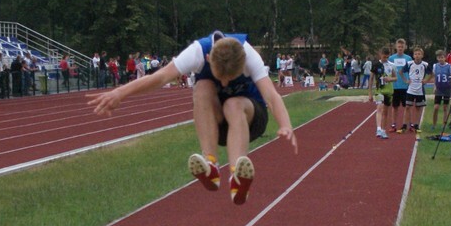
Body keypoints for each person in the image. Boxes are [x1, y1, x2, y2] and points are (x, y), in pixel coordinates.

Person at [90, 31, 297, 205]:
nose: (225, 84)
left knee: (233, 104)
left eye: (231, 77)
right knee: (202, 87)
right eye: (221, 77)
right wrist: (120, 93)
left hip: (250, 119)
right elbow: (159, 77)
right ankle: (211, 164)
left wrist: (285, 125)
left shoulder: (249, 55)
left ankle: (237, 176)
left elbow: (271, 96)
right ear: (208, 59)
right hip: (217, 123)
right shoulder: (197, 52)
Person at [388, 39, 413, 132]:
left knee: (407, 106)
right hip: (395, 86)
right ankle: (393, 124)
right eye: (399, 47)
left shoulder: (408, 58)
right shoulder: (391, 58)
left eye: (402, 47)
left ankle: (409, 124)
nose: (400, 48)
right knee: (395, 106)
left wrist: (410, 80)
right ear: (396, 47)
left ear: (405, 47)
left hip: (405, 86)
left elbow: (411, 70)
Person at [369, 47, 394, 139]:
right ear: (380, 54)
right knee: (379, 107)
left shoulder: (392, 65)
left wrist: (390, 79)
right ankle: (378, 129)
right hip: (379, 90)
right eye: (384, 57)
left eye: (387, 57)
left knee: (385, 112)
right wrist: (370, 93)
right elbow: (371, 79)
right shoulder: (376, 65)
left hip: (389, 91)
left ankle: (383, 130)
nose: (385, 59)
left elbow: (395, 78)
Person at [406, 46, 431, 132]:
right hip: (411, 89)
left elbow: (432, 74)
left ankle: (416, 124)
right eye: (415, 54)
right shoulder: (409, 63)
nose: (417, 55)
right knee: (407, 107)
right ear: (413, 55)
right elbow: (401, 72)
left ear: (422, 55)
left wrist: (426, 80)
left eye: (419, 54)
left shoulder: (425, 64)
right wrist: (406, 80)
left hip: (420, 89)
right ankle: (407, 124)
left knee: (418, 108)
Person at [431, 49, 451, 130]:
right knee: (436, 107)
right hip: (439, 89)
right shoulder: (435, 66)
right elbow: (434, 77)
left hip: (446, 89)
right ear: (437, 58)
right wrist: (434, 87)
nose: (441, 59)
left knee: (445, 107)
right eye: (439, 57)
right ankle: (434, 124)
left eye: (442, 57)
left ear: (445, 57)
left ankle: (444, 124)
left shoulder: (449, 66)